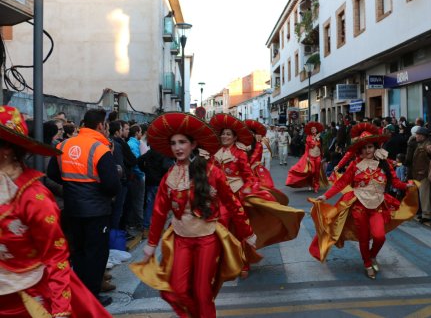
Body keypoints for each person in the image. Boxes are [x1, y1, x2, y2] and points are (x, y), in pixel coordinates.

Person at [132, 112, 256, 318]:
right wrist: (151, 245)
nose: (178, 147)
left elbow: (233, 204)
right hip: (180, 240)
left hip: (207, 239)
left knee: (202, 292)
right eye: (173, 143)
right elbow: (159, 212)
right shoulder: (168, 178)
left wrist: (247, 233)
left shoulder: (211, 172)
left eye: (182, 142)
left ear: (192, 144)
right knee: (176, 291)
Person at [0, 106, 105, 317]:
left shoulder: (33, 197)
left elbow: (56, 256)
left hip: (30, 301)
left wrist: (60, 310)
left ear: (7, 148)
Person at [310, 125, 417, 279]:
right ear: (360, 149)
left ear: (375, 147)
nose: (368, 150)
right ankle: (367, 263)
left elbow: (395, 182)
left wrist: (407, 185)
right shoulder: (355, 165)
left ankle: (372, 256)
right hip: (359, 206)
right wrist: (325, 196)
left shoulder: (384, 163)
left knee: (380, 236)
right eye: (365, 148)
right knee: (364, 237)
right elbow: (342, 183)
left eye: (370, 147)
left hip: (378, 205)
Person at [209, 114, 304, 278]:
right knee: (219, 227)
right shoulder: (214, 153)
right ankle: (223, 261)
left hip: (236, 195)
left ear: (234, 137)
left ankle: (244, 262)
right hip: (218, 197)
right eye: (223, 134)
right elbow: (209, 173)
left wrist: (248, 188)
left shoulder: (240, 154)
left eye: (228, 134)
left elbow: (248, 176)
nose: (225, 136)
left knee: (240, 230)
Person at [47, 108, 121, 307]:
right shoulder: (100, 149)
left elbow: (52, 173)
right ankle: (92, 298)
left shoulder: (64, 144)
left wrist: (72, 184)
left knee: (77, 253)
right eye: (105, 125)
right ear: (100, 126)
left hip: (72, 209)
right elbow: (112, 185)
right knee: (96, 255)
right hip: (96, 211)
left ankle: (78, 294)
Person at [286, 121, 326, 192]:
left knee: (317, 172)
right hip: (311, 156)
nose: (313, 130)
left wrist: (322, 154)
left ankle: (316, 185)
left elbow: (322, 146)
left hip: (318, 156)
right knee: (312, 171)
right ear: (310, 130)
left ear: (317, 130)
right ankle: (310, 183)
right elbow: (309, 146)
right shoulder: (308, 137)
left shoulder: (320, 137)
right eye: (312, 129)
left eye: (315, 129)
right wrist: (315, 139)